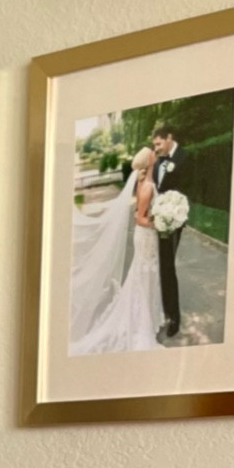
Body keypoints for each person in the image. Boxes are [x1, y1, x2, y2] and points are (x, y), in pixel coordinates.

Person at [68, 147, 163, 356]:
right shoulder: (147, 185)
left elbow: (139, 214)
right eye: (152, 153)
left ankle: (144, 316)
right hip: (146, 236)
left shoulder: (143, 182)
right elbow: (139, 218)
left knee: (143, 275)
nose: (155, 155)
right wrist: (161, 224)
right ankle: (141, 321)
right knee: (145, 275)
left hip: (144, 236)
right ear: (148, 161)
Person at [151, 122, 189, 339]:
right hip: (159, 220)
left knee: (167, 267)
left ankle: (174, 318)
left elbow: (190, 189)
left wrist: (177, 215)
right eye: (155, 145)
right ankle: (163, 312)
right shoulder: (158, 162)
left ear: (169, 138)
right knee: (161, 267)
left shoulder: (185, 157)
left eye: (159, 144)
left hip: (174, 220)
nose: (156, 148)